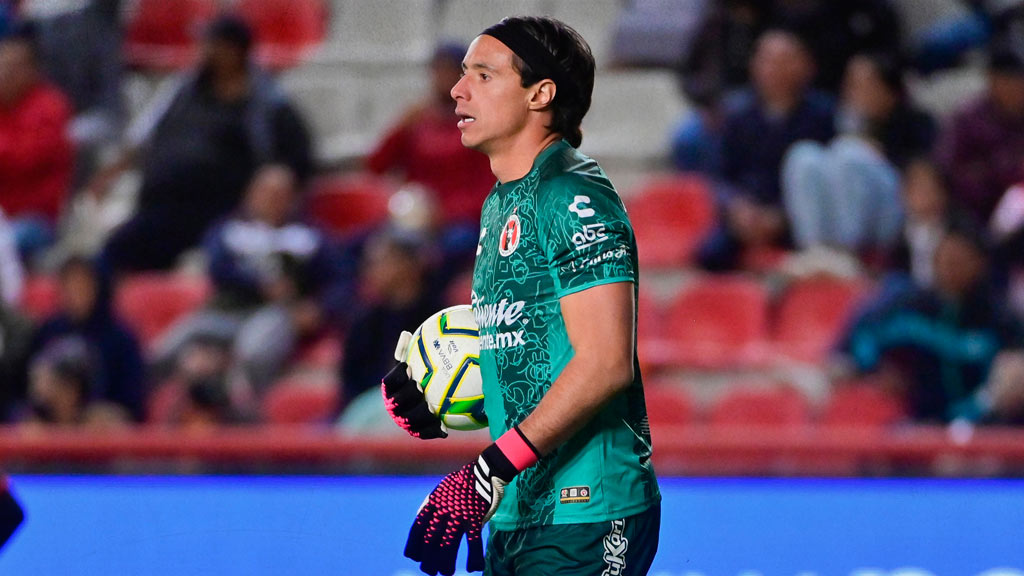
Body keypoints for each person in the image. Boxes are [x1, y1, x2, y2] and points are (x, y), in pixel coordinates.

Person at [381, 16, 660, 576]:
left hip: (587, 512)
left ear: (541, 93)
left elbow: (605, 364)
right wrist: (448, 392)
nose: (458, 91)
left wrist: (486, 470)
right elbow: (534, 344)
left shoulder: (573, 196)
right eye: (463, 75)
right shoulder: (500, 202)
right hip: (517, 510)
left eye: (483, 75)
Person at [91, 15, 312, 272]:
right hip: (163, 205)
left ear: (234, 51)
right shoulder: (183, 89)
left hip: (222, 212)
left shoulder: (269, 104)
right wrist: (109, 174)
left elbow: (296, 160)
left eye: (211, 44)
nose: (202, 51)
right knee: (114, 254)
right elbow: (143, 136)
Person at [152, 165, 342, 397]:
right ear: (250, 193)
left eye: (279, 194)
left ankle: (251, 414)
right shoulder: (229, 229)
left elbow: (341, 280)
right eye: (265, 192)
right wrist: (258, 284)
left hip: (278, 314)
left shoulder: (310, 237)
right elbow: (217, 269)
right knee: (166, 349)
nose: (271, 200)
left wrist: (319, 308)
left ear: (293, 198)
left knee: (254, 353)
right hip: (226, 310)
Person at [835, 223, 1024, 423]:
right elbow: (864, 339)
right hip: (922, 422)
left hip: (983, 425)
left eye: (960, 260)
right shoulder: (911, 308)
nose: (951, 267)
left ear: (979, 264)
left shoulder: (1000, 319)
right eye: (946, 259)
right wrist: (875, 368)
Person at [699, 28, 835, 271]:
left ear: (803, 65)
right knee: (710, 255)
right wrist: (736, 207)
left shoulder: (822, 115)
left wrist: (781, 216)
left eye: (783, 61)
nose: (773, 69)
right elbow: (718, 175)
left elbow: (828, 181)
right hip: (748, 209)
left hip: (796, 213)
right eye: (767, 60)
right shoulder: (736, 113)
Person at [781, 53, 935, 253]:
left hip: (896, 212)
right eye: (850, 83)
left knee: (849, 154)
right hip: (843, 208)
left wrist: (879, 153)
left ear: (887, 88)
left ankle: (849, 254)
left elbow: (925, 175)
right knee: (803, 155)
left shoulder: (917, 122)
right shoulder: (838, 119)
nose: (851, 92)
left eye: (861, 84)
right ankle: (814, 251)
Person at [30, 254, 145, 421]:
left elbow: (133, 403)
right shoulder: (50, 330)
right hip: (49, 419)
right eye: (69, 284)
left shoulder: (122, 338)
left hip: (99, 424)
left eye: (83, 285)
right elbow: (29, 385)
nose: (75, 292)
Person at [0, 22, 73, 261]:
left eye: (12, 69)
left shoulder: (50, 107)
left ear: (32, 70)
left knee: (7, 242)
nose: (4, 75)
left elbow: (25, 160)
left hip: (34, 219)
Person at [936, 36, 1024, 224]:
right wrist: (1001, 171)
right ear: (993, 79)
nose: (1020, 86)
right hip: (981, 217)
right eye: (1013, 79)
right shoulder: (968, 119)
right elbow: (949, 172)